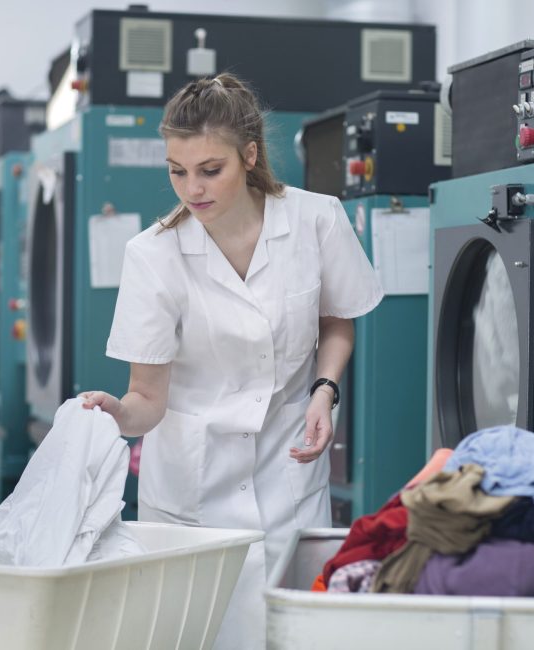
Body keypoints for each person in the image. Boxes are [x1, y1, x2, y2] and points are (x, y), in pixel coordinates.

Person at [80, 73, 383, 649]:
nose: (191, 189)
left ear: (249, 156)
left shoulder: (316, 220)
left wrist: (324, 390)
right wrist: (116, 413)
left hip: (288, 471)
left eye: (209, 169)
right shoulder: (153, 255)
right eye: (177, 170)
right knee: (195, 636)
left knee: (291, 634)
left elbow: (337, 320)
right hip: (193, 491)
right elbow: (147, 399)